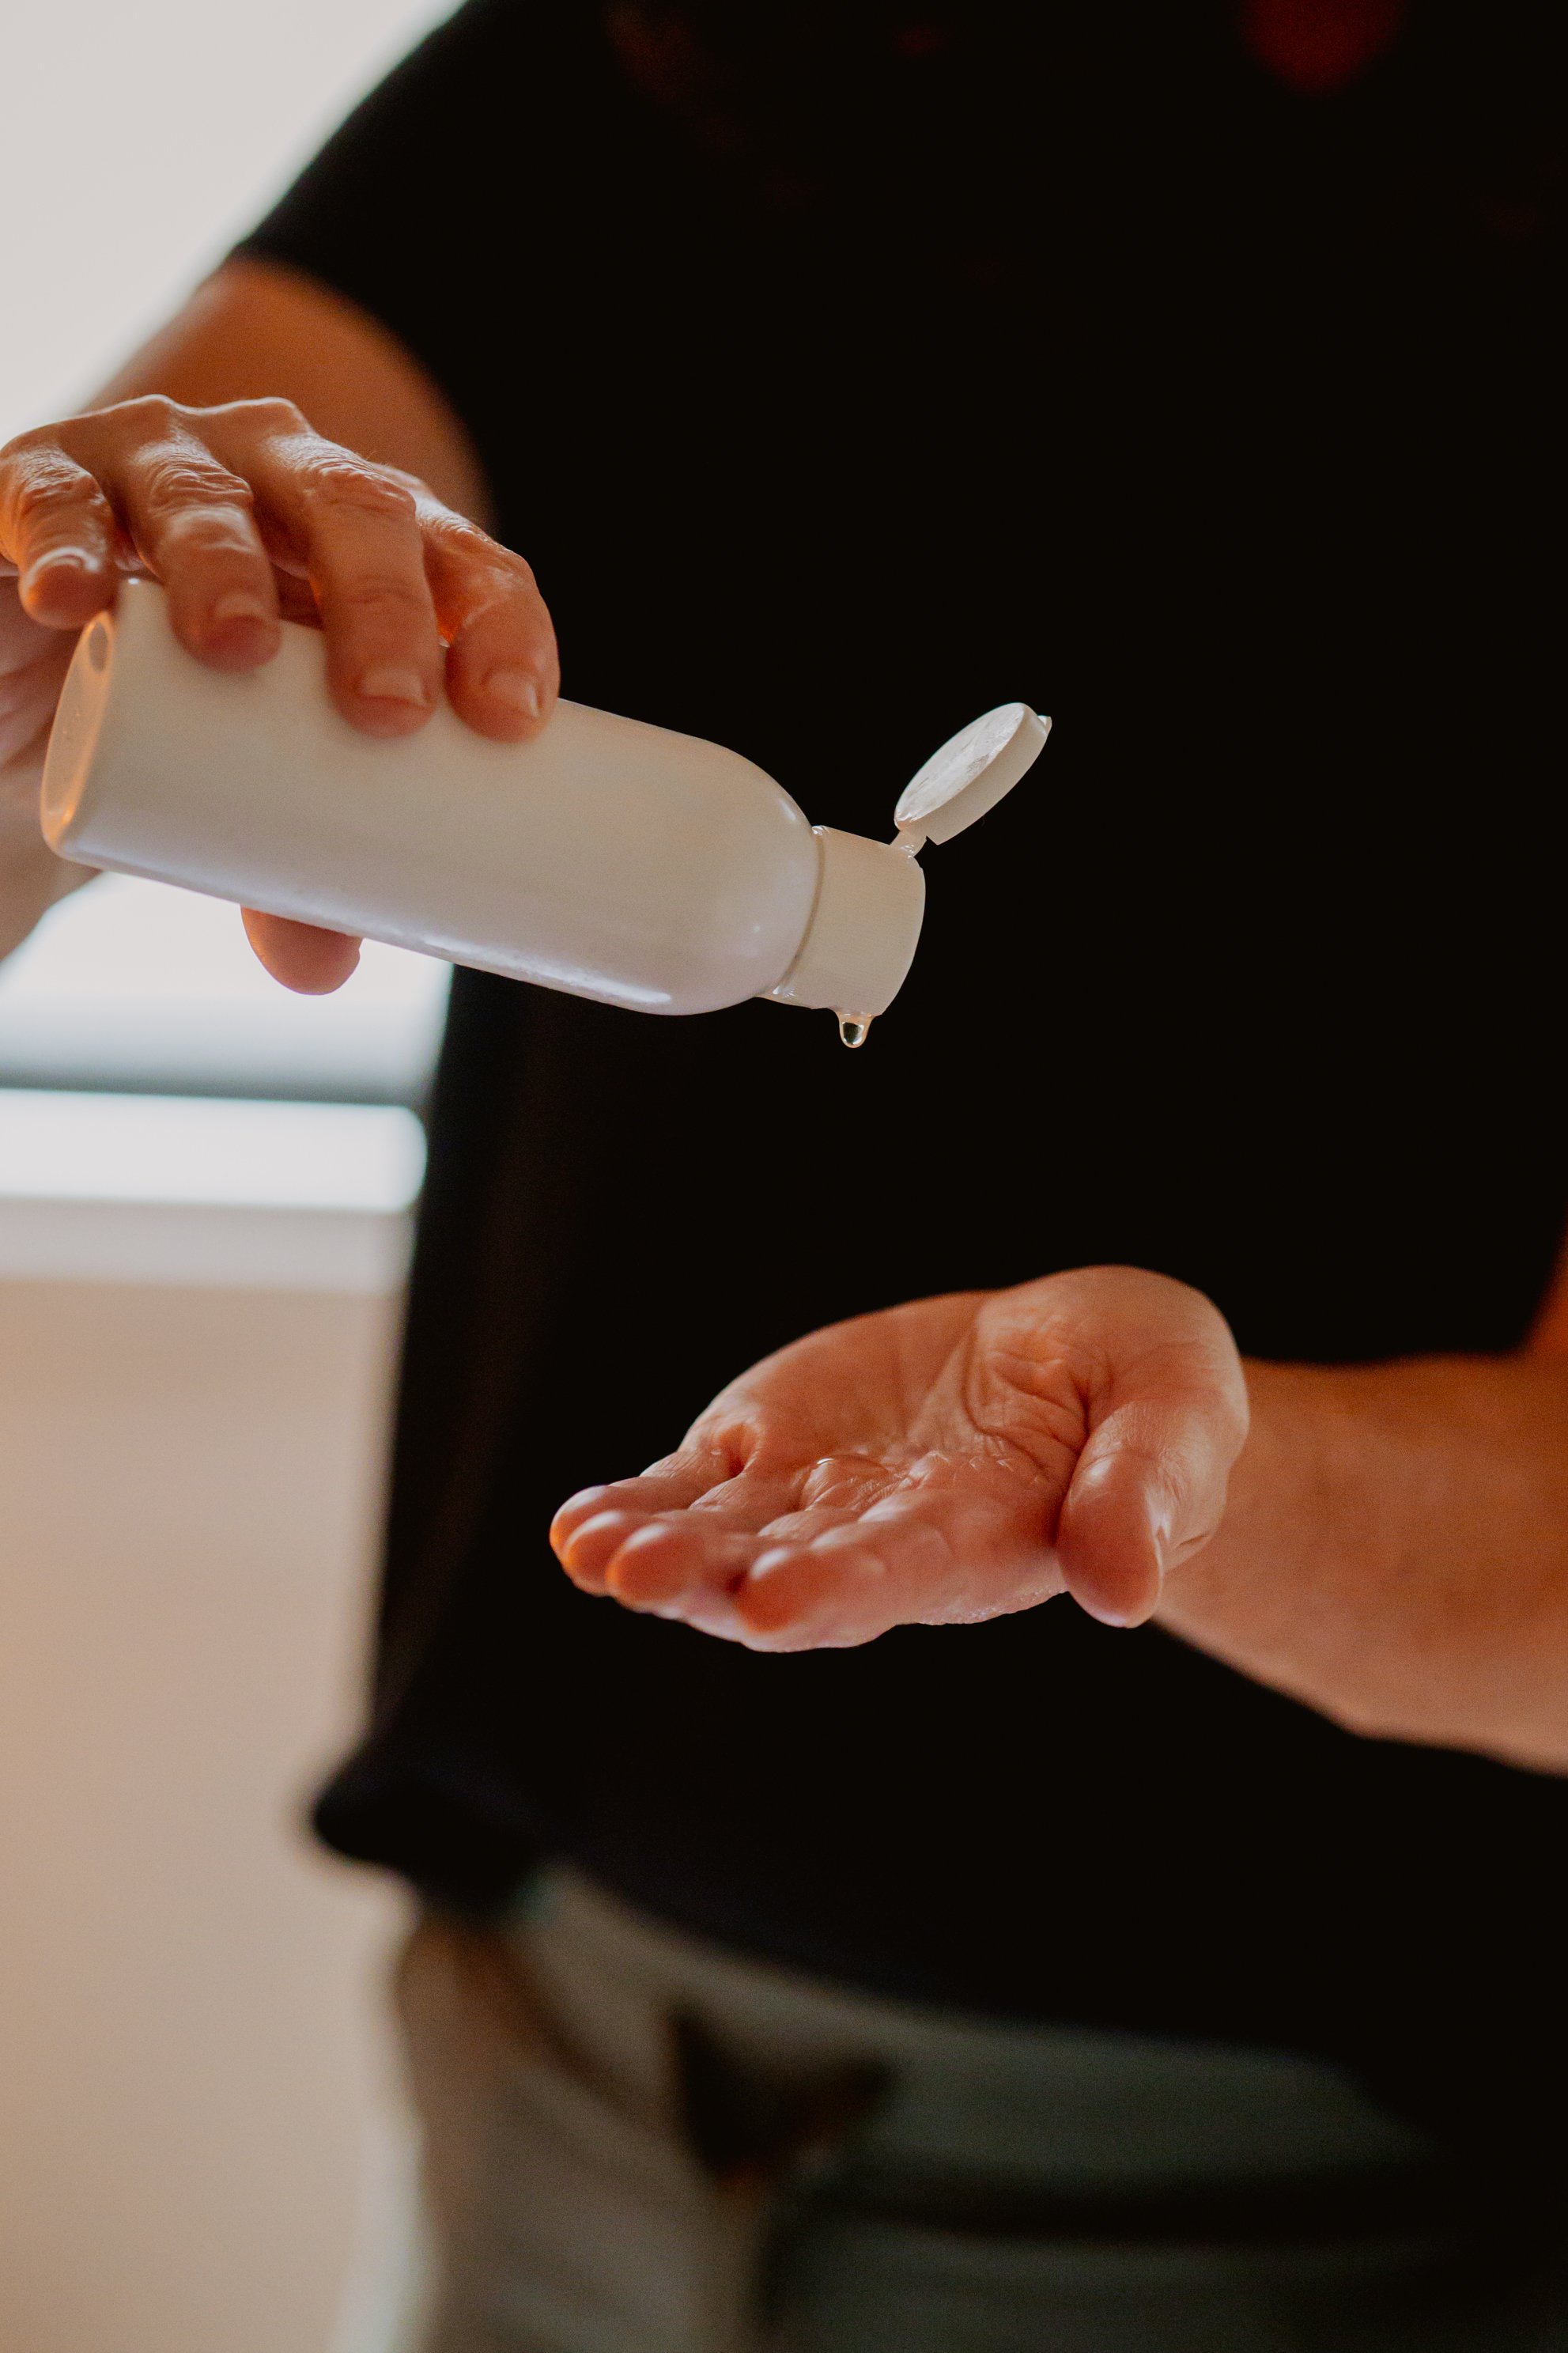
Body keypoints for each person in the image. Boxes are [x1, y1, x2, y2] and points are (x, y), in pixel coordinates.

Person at [3, 2, 1567, 2344]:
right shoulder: (659, 63)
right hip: (550, 2069)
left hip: (1316, 2213)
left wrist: (1165, 1472)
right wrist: (72, 613)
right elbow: (154, 599)